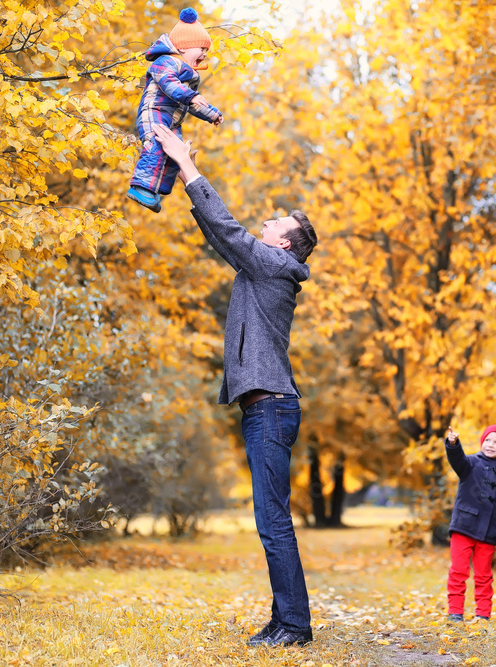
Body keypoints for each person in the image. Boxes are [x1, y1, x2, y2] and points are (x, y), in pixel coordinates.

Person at [150, 123, 318, 647]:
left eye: (276, 221)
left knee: (273, 521)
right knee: (271, 519)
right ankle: (284, 619)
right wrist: (183, 175)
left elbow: (228, 229)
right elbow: (219, 233)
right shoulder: (266, 266)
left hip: (270, 409)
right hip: (265, 408)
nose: (266, 220)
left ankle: (294, 626)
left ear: (284, 242)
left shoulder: (274, 265)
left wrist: (186, 164)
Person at [126, 8, 223, 213]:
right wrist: (191, 95)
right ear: (183, 47)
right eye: (201, 48)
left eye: (206, 50)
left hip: (172, 120)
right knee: (156, 145)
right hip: (154, 113)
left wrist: (212, 114)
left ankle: (157, 187)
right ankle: (141, 187)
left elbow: (192, 102)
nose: (205, 54)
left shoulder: (189, 74)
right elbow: (168, 83)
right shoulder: (166, 62)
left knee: (177, 152)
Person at [444, 424, 496, 622]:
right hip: (463, 527)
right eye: (488, 440)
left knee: (484, 575)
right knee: (459, 571)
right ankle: (455, 612)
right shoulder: (470, 463)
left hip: (489, 532)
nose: (490, 445)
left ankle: (483, 614)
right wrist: (453, 444)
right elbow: (457, 459)